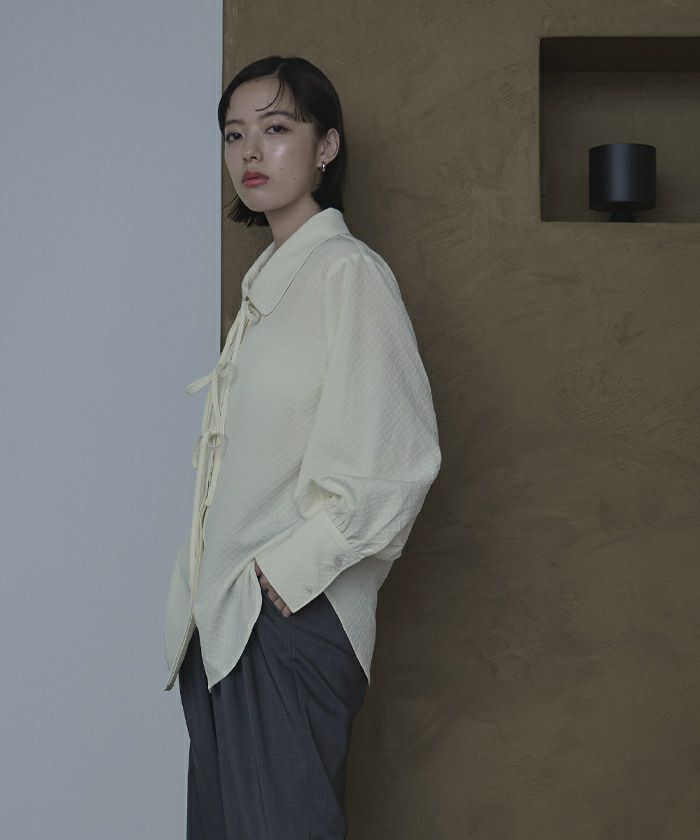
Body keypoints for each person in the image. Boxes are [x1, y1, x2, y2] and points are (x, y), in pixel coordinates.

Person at [162, 55, 442, 839]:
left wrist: (285, 576)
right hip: (221, 625)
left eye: (277, 128)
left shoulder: (348, 275)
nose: (250, 152)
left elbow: (397, 461)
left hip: (285, 620)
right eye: (234, 135)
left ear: (327, 147)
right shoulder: (268, 288)